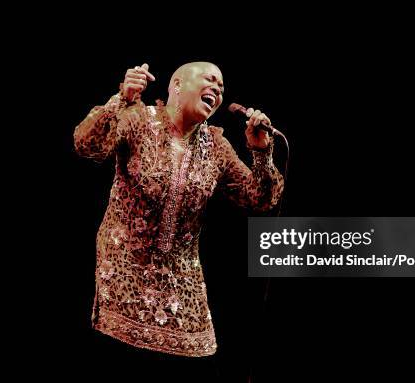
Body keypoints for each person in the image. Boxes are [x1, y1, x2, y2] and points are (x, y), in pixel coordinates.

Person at [74, 61, 284, 364]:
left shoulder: (216, 147)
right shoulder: (139, 119)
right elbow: (87, 145)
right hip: (123, 277)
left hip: (181, 289)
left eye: (222, 88)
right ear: (177, 85)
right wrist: (121, 99)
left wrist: (262, 152)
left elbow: (260, 199)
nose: (217, 89)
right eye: (210, 80)